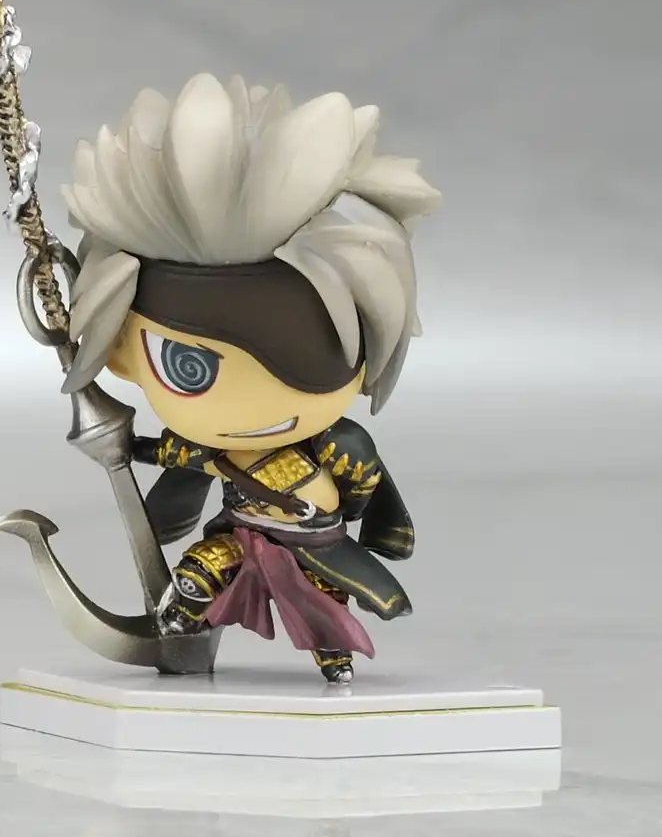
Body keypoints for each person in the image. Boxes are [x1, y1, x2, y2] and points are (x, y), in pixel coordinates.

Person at [60, 74, 440, 683]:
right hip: (241, 534)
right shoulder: (211, 451)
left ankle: (334, 658)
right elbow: (170, 454)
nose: (256, 405)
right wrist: (117, 444)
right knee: (198, 575)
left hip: (316, 541)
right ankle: (181, 623)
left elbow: (363, 481)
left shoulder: (336, 444)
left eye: (322, 358)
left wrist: (358, 510)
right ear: (123, 354)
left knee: (324, 607)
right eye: (189, 367)